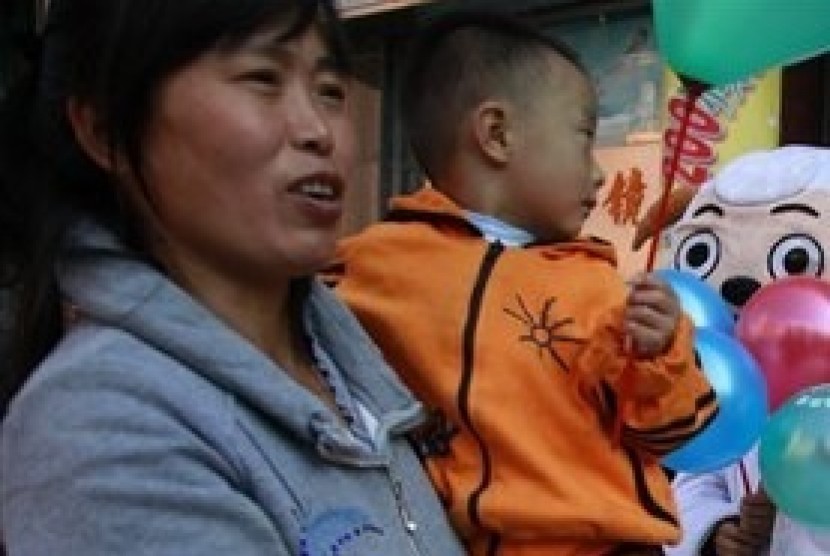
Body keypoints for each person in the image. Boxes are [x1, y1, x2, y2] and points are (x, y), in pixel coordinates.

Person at [0, 1, 465, 555]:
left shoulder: (356, 376)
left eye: (331, 90)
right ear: (105, 131)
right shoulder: (105, 426)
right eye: (262, 79)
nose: (318, 130)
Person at [328, 11, 717, 556]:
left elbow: (671, 434)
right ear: (497, 134)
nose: (600, 173)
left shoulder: (601, 289)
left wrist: (659, 352)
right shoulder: (372, 266)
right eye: (584, 137)